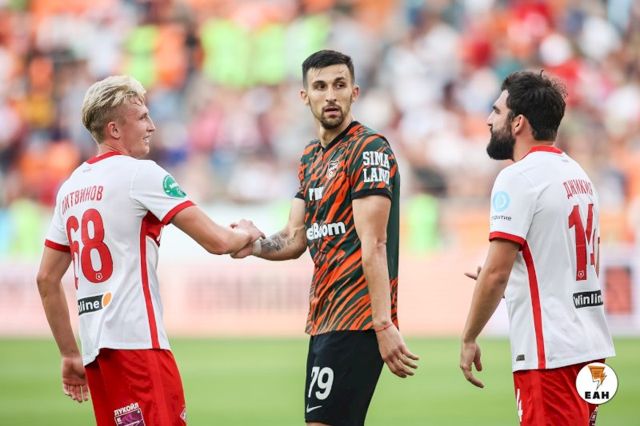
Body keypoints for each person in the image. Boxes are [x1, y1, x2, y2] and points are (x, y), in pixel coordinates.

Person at [36, 75, 263, 425]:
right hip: (139, 346)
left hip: (97, 355)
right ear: (114, 129)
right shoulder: (140, 174)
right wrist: (246, 233)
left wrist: (69, 353)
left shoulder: (71, 188)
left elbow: (46, 279)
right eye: (142, 117)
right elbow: (217, 241)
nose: (152, 126)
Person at [231, 49, 419, 426]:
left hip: (357, 318)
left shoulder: (368, 149)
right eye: (320, 87)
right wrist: (251, 244)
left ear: (354, 92)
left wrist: (383, 324)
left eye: (339, 85)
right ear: (305, 96)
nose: (330, 95)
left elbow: (374, 244)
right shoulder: (310, 158)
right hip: (324, 318)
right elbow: (294, 237)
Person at [459, 71, 616, 425]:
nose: (488, 120)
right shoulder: (578, 174)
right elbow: (564, 263)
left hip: (550, 354)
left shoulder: (518, 177)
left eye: (496, 111)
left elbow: (496, 273)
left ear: (518, 123)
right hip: (589, 347)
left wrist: (469, 337)